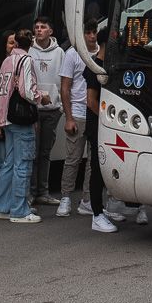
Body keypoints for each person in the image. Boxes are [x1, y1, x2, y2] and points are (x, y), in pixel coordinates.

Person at [0, 28, 45, 223]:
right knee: (23, 164)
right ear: (30, 43)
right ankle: (19, 210)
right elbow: (27, 92)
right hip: (21, 119)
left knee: (9, 163)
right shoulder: (26, 60)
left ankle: (0, 206)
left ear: (15, 44)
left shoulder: (6, 61)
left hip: (6, 116)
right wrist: (42, 97)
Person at [69, 21, 118, 233]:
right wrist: (107, 119)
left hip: (108, 126)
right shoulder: (94, 67)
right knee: (97, 168)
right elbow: (91, 101)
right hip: (97, 127)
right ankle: (96, 214)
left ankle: (104, 208)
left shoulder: (110, 66)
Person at [27, 15, 65, 206]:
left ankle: (43, 191)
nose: (39, 30)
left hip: (52, 109)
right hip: (33, 109)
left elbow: (64, 79)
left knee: (45, 152)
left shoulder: (59, 52)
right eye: (37, 27)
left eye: (43, 27)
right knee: (32, 152)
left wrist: (61, 106)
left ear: (50, 31)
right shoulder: (29, 50)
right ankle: (31, 192)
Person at [55, 25, 90, 218]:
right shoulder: (72, 53)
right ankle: (66, 197)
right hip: (77, 113)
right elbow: (65, 88)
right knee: (72, 159)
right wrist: (68, 118)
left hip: (96, 114)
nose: (91, 36)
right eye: (88, 32)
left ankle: (87, 200)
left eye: (94, 32)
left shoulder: (102, 52)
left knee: (94, 162)